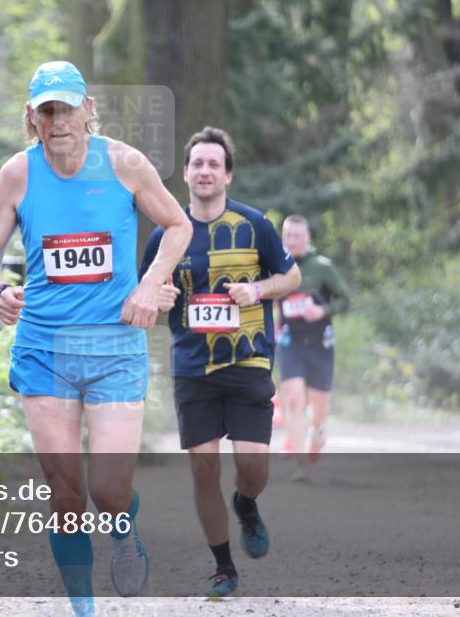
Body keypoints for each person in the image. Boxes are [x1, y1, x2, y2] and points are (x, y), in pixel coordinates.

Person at [0, 61, 191, 616]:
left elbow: (179, 225)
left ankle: (123, 527)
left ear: (88, 109)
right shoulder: (16, 175)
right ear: (32, 117)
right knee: (66, 493)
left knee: (109, 491)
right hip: (44, 348)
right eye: (46, 111)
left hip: (115, 346)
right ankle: (83, 608)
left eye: (67, 108)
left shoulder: (124, 163)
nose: (58, 121)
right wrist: (0, 291)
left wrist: (150, 284)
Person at [141, 126, 301, 598]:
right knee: (203, 468)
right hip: (193, 367)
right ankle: (223, 567)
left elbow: (291, 276)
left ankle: (246, 504)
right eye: (198, 164)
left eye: (214, 164)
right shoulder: (167, 235)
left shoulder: (254, 224)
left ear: (227, 174)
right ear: (185, 173)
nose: (205, 171)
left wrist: (257, 289)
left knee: (253, 467)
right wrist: (159, 296)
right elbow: (146, 293)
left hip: (248, 360)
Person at [276, 215, 350, 477]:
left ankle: (317, 433)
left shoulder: (322, 266)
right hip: (290, 343)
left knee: (319, 412)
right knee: (293, 399)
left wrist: (322, 311)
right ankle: (301, 463)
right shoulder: (277, 265)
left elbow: (344, 299)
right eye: (288, 236)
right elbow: (271, 299)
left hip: (320, 344)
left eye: (297, 236)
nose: (292, 241)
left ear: (307, 238)